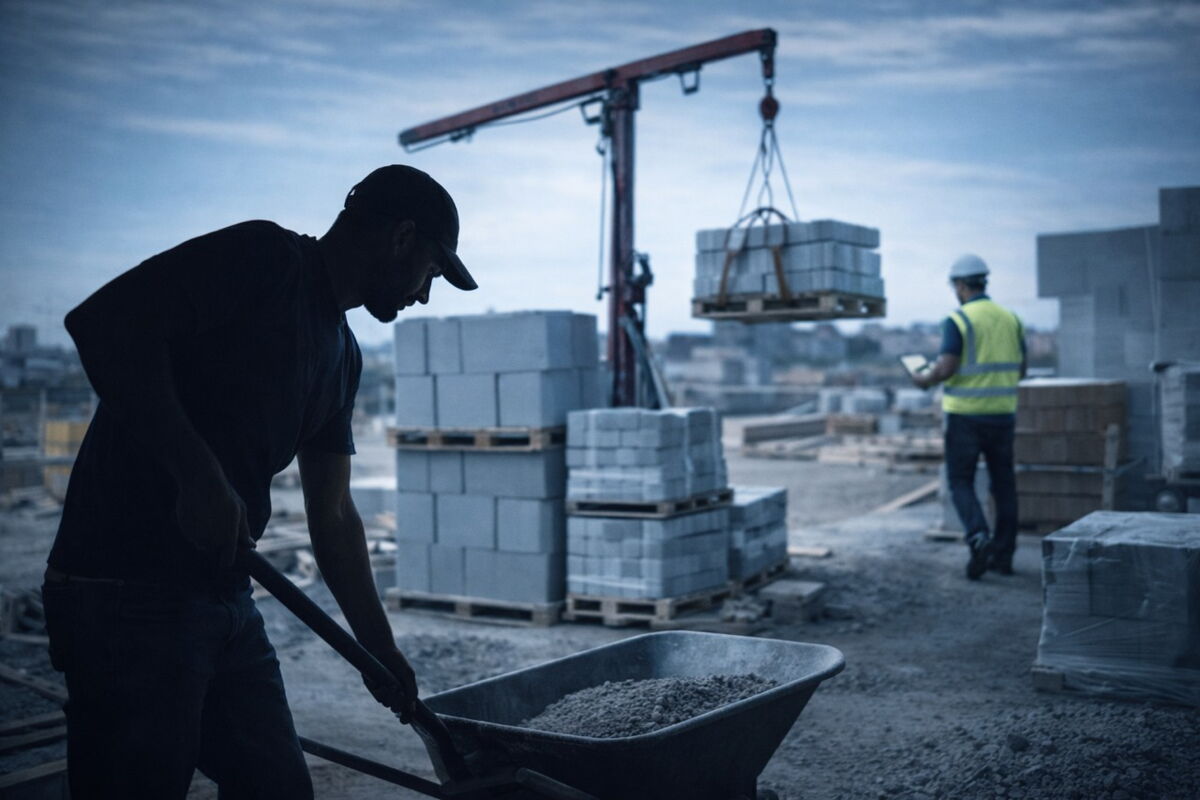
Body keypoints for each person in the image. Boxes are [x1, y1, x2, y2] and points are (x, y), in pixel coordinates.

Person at [41, 165, 477, 799]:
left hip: (224, 600)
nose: (425, 295)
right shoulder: (265, 260)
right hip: (124, 596)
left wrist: (381, 652)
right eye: (432, 274)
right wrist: (197, 475)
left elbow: (332, 517)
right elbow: (105, 323)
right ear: (402, 237)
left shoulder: (343, 355)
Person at [912, 254, 1025, 580]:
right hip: (1003, 415)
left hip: (965, 417)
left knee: (960, 480)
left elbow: (946, 368)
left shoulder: (958, 320)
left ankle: (978, 536)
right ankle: (1003, 556)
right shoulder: (1012, 319)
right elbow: (1023, 369)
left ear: (961, 285)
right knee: (1004, 484)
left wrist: (923, 379)